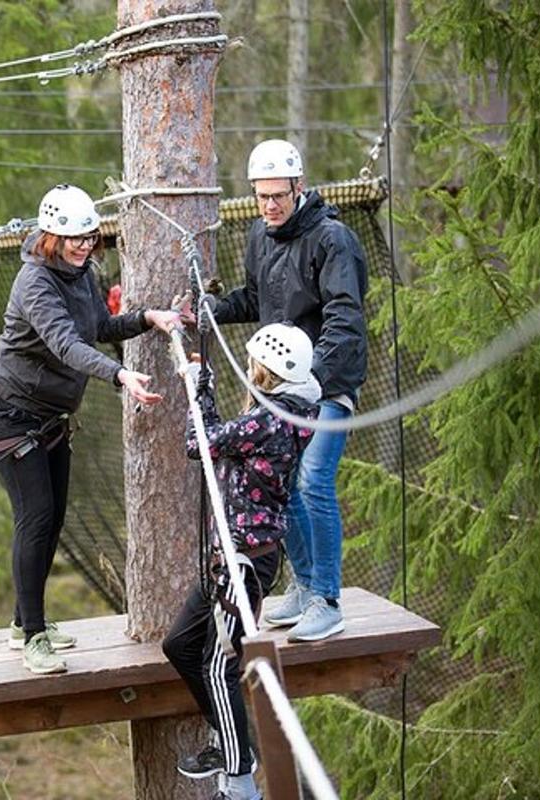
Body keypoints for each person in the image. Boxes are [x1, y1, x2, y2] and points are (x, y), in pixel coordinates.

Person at [0, 183, 182, 675]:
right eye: (73, 238)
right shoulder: (35, 284)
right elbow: (67, 344)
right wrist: (118, 374)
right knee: (36, 517)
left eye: (89, 236)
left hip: (50, 418)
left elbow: (98, 328)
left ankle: (22, 621)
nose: (84, 245)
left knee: (54, 520)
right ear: (50, 236)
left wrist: (148, 318)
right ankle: (32, 637)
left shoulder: (82, 275)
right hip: (10, 413)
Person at [182, 139, 368, 642]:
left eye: (278, 196)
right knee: (284, 486)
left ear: (298, 187)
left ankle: (328, 599)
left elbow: (345, 319)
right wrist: (213, 309)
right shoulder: (259, 237)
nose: (269, 206)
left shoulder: (332, 240)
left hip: (328, 385)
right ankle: (305, 587)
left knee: (311, 480)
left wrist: (314, 378)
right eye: (261, 196)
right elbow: (255, 299)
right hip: (279, 389)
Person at [163, 323, 320, 800]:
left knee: (218, 664)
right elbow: (223, 440)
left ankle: (238, 783)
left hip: (245, 561)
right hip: (226, 556)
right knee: (181, 646)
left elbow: (201, 444)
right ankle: (231, 742)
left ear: (266, 371)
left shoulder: (269, 421)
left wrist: (198, 388)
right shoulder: (281, 412)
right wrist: (203, 384)